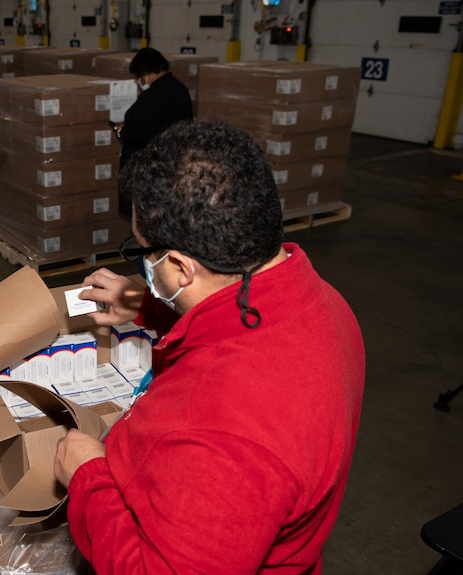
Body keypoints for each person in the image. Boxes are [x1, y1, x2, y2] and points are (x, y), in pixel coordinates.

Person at [54, 121, 365, 574]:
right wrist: (148, 305)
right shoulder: (325, 303)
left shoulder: (224, 431)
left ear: (180, 267)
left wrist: (88, 478)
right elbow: (230, 320)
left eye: (143, 251)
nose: (144, 264)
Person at [114, 48, 193, 215]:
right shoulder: (181, 90)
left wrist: (121, 131)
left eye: (139, 76)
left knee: (144, 216)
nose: (141, 80)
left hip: (150, 169)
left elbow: (137, 133)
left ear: (146, 72)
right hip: (174, 166)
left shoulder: (151, 97)